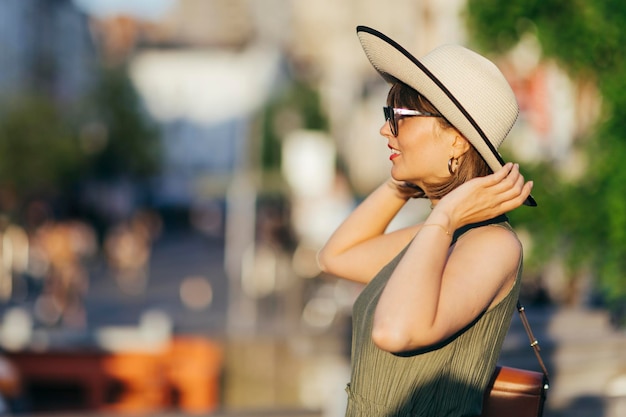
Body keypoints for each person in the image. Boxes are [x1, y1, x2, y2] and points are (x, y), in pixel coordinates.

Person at [317, 26, 536, 417]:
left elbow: (395, 331)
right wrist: (400, 185)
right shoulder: (437, 237)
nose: (386, 129)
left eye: (398, 115)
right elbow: (336, 256)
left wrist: (447, 213)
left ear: (456, 139)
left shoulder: (491, 244)